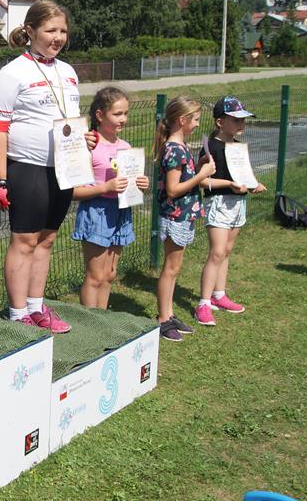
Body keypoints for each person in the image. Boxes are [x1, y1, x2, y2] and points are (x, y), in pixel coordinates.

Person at [0, 0, 96, 333]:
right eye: (51, 30)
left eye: (63, 30)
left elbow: (67, 121)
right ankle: (17, 313)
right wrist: (0, 179)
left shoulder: (68, 72)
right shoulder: (12, 73)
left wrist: (84, 140)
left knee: (47, 240)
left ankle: (36, 307)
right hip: (27, 167)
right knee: (24, 241)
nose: (58, 37)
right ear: (31, 31)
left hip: (62, 168)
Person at [71, 86, 149, 309]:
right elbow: (74, 192)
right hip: (97, 212)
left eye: (126, 113)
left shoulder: (125, 147)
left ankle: (103, 320)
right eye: (117, 114)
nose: (123, 119)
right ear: (99, 115)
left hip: (121, 211)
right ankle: (89, 321)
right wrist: (105, 187)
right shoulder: (88, 147)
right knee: (95, 276)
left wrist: (140, 184)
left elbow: (130, 183)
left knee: (109, 275)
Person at [195, 96, 266, 325]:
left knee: (226, 251)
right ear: (220, 122)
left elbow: (243, 176)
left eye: (243, 120)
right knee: (216, 252)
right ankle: (203, 304)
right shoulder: (210, 148)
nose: (241, 124)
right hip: (218, 203)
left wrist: (253, 185)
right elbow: (202, 181)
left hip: (238, 203)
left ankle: (219, 295)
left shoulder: (237, 147)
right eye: (236, 120)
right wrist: (229, 184)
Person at [154, 96, 215, 342]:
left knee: (175, 267)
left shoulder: (181, 147)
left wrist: (197, 167)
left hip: (182, 216)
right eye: (196, 119)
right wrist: (201, 175)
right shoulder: (174, 149)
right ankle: (163, 318)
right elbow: (173, 189)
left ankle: (169, 314)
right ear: (182, 120)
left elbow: (182, 179)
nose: (198, 124)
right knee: (170, 269)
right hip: (175, 216)